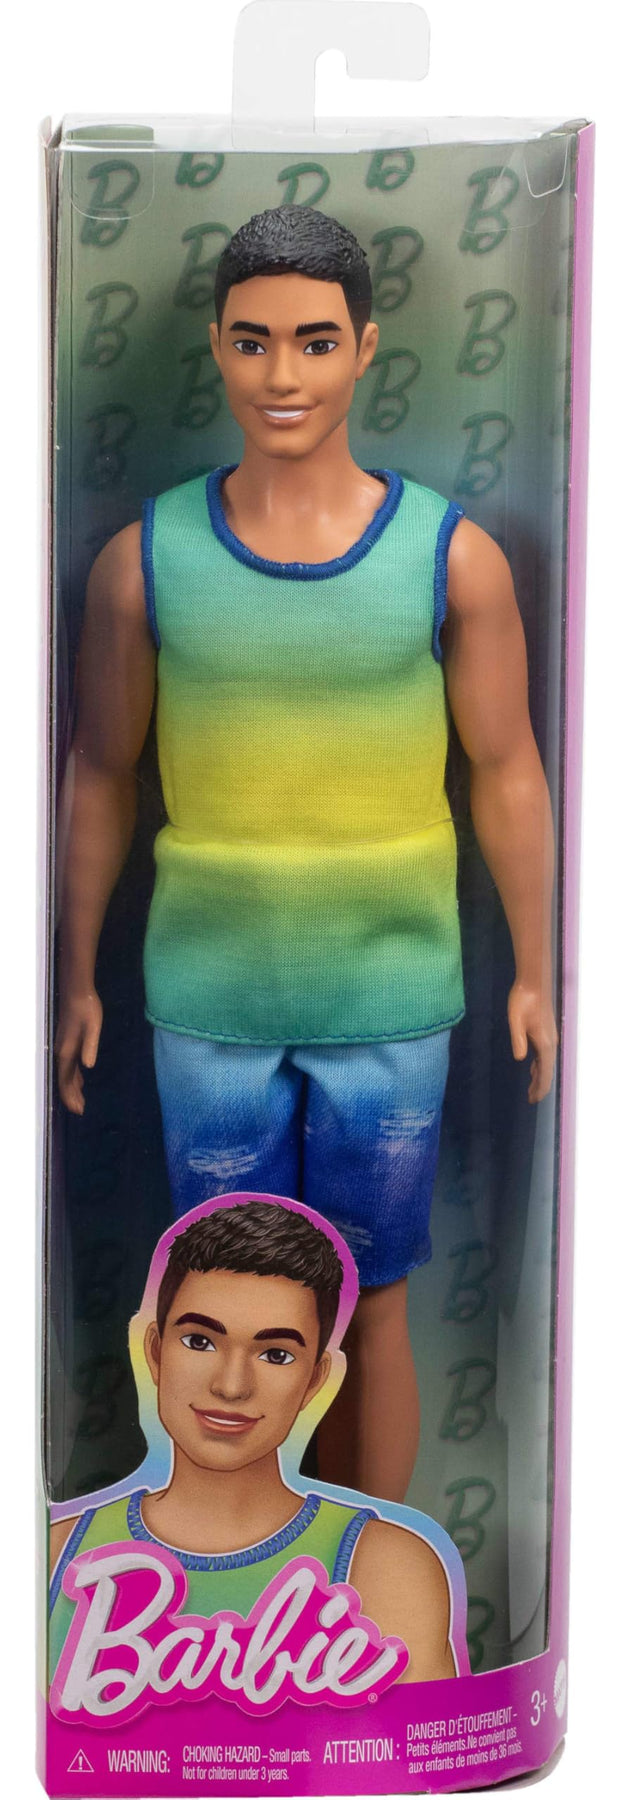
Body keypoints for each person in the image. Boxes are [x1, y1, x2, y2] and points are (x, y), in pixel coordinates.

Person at [56, 204, 557, 1500]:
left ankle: (376, 1564)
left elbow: (508, 767)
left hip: (388, 995)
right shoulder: (144, 564)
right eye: (252, 340)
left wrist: (536, 969)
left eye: (315, 341)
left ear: (365, 348)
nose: (282, 375)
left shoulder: (447, 558)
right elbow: (99, 770)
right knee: (220, 1302)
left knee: (370, 1296)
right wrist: (73, 973)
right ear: (216, 348)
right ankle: (235, 1569)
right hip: (208, 996)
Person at [49, 1199, 460, 1705]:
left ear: (315, 1379)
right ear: (155, 1352)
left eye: (276, 1354)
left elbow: (414, 1748)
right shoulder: (59, 1554)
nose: (231, 1386)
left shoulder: (386, 1568)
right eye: (200, 1342)